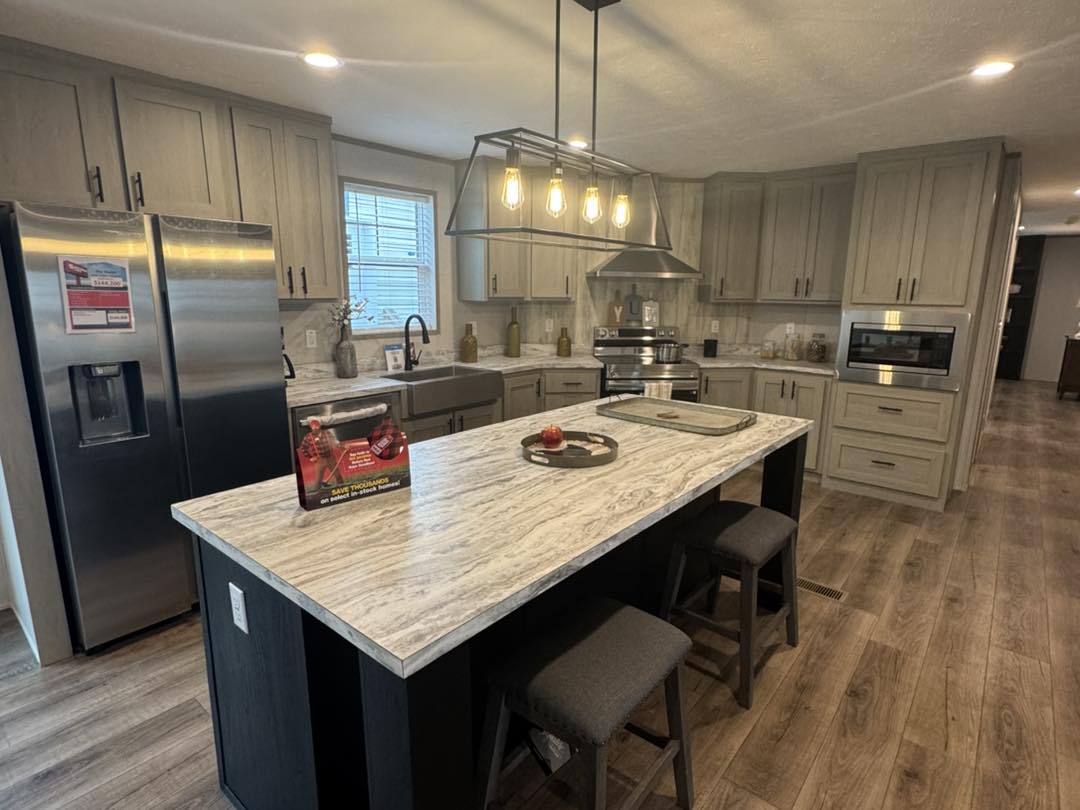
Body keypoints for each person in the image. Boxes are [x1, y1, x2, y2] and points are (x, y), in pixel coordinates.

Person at [298, 418, 343, 489]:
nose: (315, 429)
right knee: (318, 480)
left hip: (331, 458)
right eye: (313, 428)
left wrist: (341, 446)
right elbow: (303, 448)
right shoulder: (308, 437)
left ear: (320, 426)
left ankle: (342, 489)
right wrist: (310, 457)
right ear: (311, 428)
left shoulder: (327, 433)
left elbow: (334, 442)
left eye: (317, 427)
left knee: (338, 476)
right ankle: (316, 494)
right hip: (319, 461)